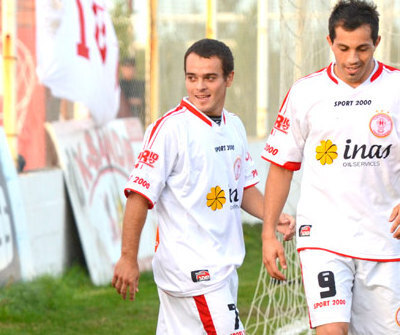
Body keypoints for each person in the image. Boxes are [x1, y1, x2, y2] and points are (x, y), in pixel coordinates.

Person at [112, 38, 295, 334]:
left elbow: (244, 188)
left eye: (210, 77)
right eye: (192, 77)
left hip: (220, 269)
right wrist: (128, 257)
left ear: (229, 78)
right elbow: (138, 195)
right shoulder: (170, 129)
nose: (200, 87)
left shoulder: (233, 125)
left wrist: (273, 217)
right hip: (194, 271)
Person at [261, 1, 400, 334]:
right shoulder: (306, 92)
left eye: (362, 49)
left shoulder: (396, 88)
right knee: (331, 331)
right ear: (329, 42)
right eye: (343, 48)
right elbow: (282, 166)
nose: (352, 59)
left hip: (385, 239)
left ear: (377, 44)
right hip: (324, 238)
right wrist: (268, 233)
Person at [118, 57, 145, 125]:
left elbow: (144, 101)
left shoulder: (140, 84)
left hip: (138, 121)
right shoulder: (118, 85)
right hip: (122, 122)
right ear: (122, 68)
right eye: (127, 67)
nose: (130, 70)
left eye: (132, 67)